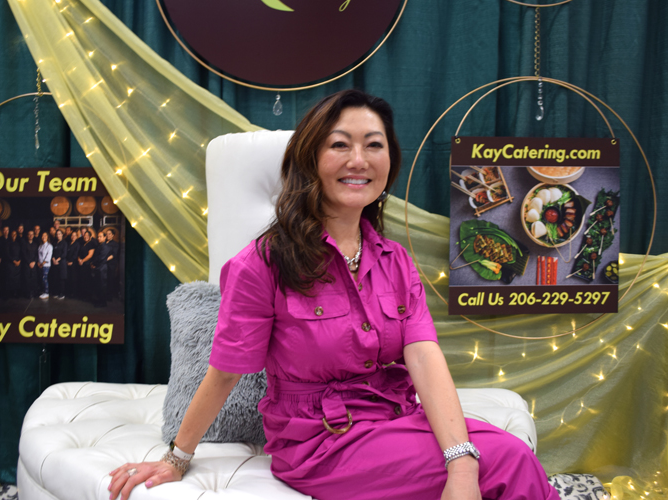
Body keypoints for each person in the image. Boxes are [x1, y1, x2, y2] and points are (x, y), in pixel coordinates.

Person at [108, 90, 559, 500]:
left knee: (501, 454)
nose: (359, 160)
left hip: (395, 419)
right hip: (321, 442)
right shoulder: (262, 263)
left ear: (389, 161)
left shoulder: (396, 260)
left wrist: (460, 461)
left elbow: (424, 357)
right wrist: (176, 457)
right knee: (507, 461)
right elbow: (226, 372)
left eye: (374, 145)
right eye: (340, 145)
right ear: (310, 160)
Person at [76, 230, 96, 300]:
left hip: (87, 264)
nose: (86, 236)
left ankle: (87, 296)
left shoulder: (91, 244)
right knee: (82, 280)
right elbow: (79, 254)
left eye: (87, 235)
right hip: (81, 264)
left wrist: (82, 261)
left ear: (90, 237)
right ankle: (82, 295)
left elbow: (90, 255)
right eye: (85, 235)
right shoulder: (82, 243)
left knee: (87, 280)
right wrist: (79, 259)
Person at [50, 228, 68, 299]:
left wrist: (57, 260)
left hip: (61, 263)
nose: (58, 235)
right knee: (55, 278)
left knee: (61, 279)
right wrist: (53, 259)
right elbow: (52, 252)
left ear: (62, 234)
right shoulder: (54, 243)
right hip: (54, 263)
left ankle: (62, 293)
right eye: (57, 234)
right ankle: (56, 292)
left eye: (59, 234)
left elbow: (64, 253)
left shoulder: (64, 243)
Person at [20, 230, 38, 298]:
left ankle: (34, 293)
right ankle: (28, 294)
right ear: (27, 236)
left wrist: (34, 262)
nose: (31, 235)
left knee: (34, 278)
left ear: (33, 235)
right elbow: (24, 254)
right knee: (27, 279)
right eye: (29, 234)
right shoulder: (24, 244)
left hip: (34, 264)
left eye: (32, 234)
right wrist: (29, 262)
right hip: (27, 264)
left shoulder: (35, 244)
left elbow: (37, 254)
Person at [37, 232, 52, 299]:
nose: (44, 237)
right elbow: (39, 256)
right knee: (41, 279)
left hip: (46, 265)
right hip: (40, 265)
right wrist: (38, 263)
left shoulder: (49, 246)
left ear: (47, 237)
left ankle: (46, 292)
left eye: (45, 235)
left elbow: (48, 257)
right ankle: (43, 291)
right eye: (42, 236)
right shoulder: (40, 246)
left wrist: (42, 264)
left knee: (44, 278)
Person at [66, 230, 81, 298]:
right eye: (72, 235)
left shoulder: (77, 244)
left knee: (73, 279)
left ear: (77, 237)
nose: (73, 236)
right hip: (67, 263)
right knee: (68, 278)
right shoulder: (69, 243)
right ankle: (69, 292)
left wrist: (71, 261)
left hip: (74, 263)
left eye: (75, 235)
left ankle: (74, 293)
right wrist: (67, 261)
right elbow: (66, 253)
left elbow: (76, 253)